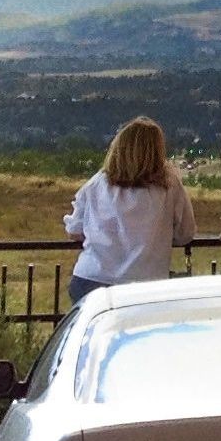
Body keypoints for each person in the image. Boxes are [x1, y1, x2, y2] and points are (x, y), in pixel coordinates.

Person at [65, 116, 193, 303]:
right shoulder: (169, 187)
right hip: (146, 285)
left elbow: (74, 230)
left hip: (91, 279)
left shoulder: (97, 183)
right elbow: (186, 233)